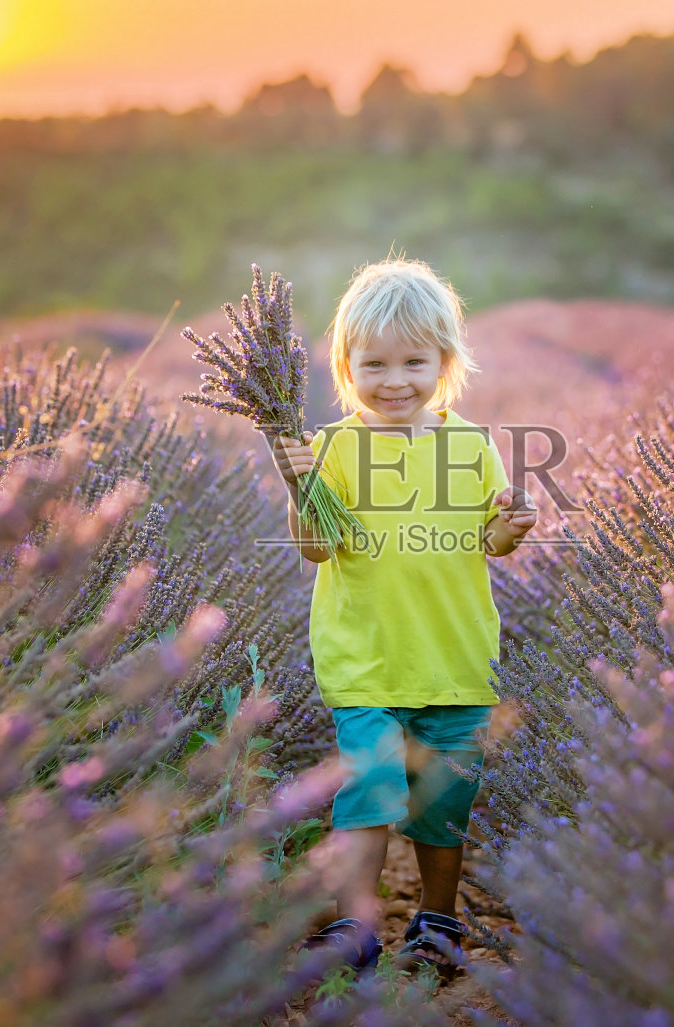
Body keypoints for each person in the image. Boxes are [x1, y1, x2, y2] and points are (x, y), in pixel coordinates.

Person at [259, 257, 538, 982]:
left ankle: (437, 918)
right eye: (374, 363)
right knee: (370, 788)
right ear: (346, 366)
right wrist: (301, 486)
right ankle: (357, 921)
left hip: (455, 656)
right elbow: (317, 548)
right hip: (367, 660)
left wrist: (513, 525)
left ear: (445, 362)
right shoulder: (336, 448)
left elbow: (491, 539)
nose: (394, 379)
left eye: (414, 361)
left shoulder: (469, 444)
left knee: (445, 802)